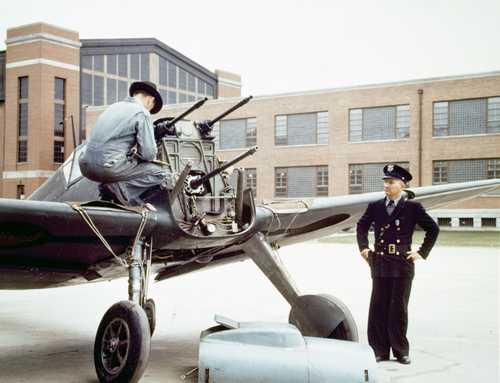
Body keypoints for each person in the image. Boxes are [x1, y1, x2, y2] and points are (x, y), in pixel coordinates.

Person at [356, 164, 439, 364]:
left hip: (402, 263)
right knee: (378, 307)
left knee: (398, 309)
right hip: (381, 262)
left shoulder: (412, 207)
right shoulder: (375, 206)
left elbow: (433, 229)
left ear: (402, 184)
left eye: (391, 182)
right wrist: (364, 248)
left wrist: (421, 252)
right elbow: (361, 226)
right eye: (385, 182)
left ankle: (401, 350)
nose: (386, 185)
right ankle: (379, 351)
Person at [79, 81, 173, 206]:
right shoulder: (142, 113)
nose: (149, 111)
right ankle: (121, 190)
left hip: (85, 166)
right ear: (151, 100)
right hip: (108, 168)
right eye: (152, 108)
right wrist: (138, 156)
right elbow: (148, 154)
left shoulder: (113, 107)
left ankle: (113, 189)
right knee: (163, 174)